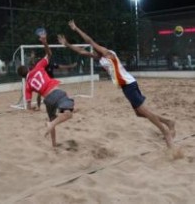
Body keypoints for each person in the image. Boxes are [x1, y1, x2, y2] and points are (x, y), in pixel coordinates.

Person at [57, 19, 176, 149]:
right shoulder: (100, 58)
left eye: (96, 48)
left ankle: (165, 133)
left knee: (144, 111)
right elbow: (81, 52)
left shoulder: (108, 53)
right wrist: (67, 44)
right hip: (127, 85)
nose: (94, 49)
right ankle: (168, 122)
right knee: (139, 113)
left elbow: (89, 41)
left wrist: (76, 28)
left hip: (129, 84)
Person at [17, 32, 74, 147]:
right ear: (28, 69)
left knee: (52, 117)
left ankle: (53, 144)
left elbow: (28, 107)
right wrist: (45, 42)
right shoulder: (37, 67)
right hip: (56, 92)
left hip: (47, 100)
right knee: (68, 114)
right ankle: (51, 124)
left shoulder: (27, 86)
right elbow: (49, 54)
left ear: (22, 77)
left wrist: (33, 108)